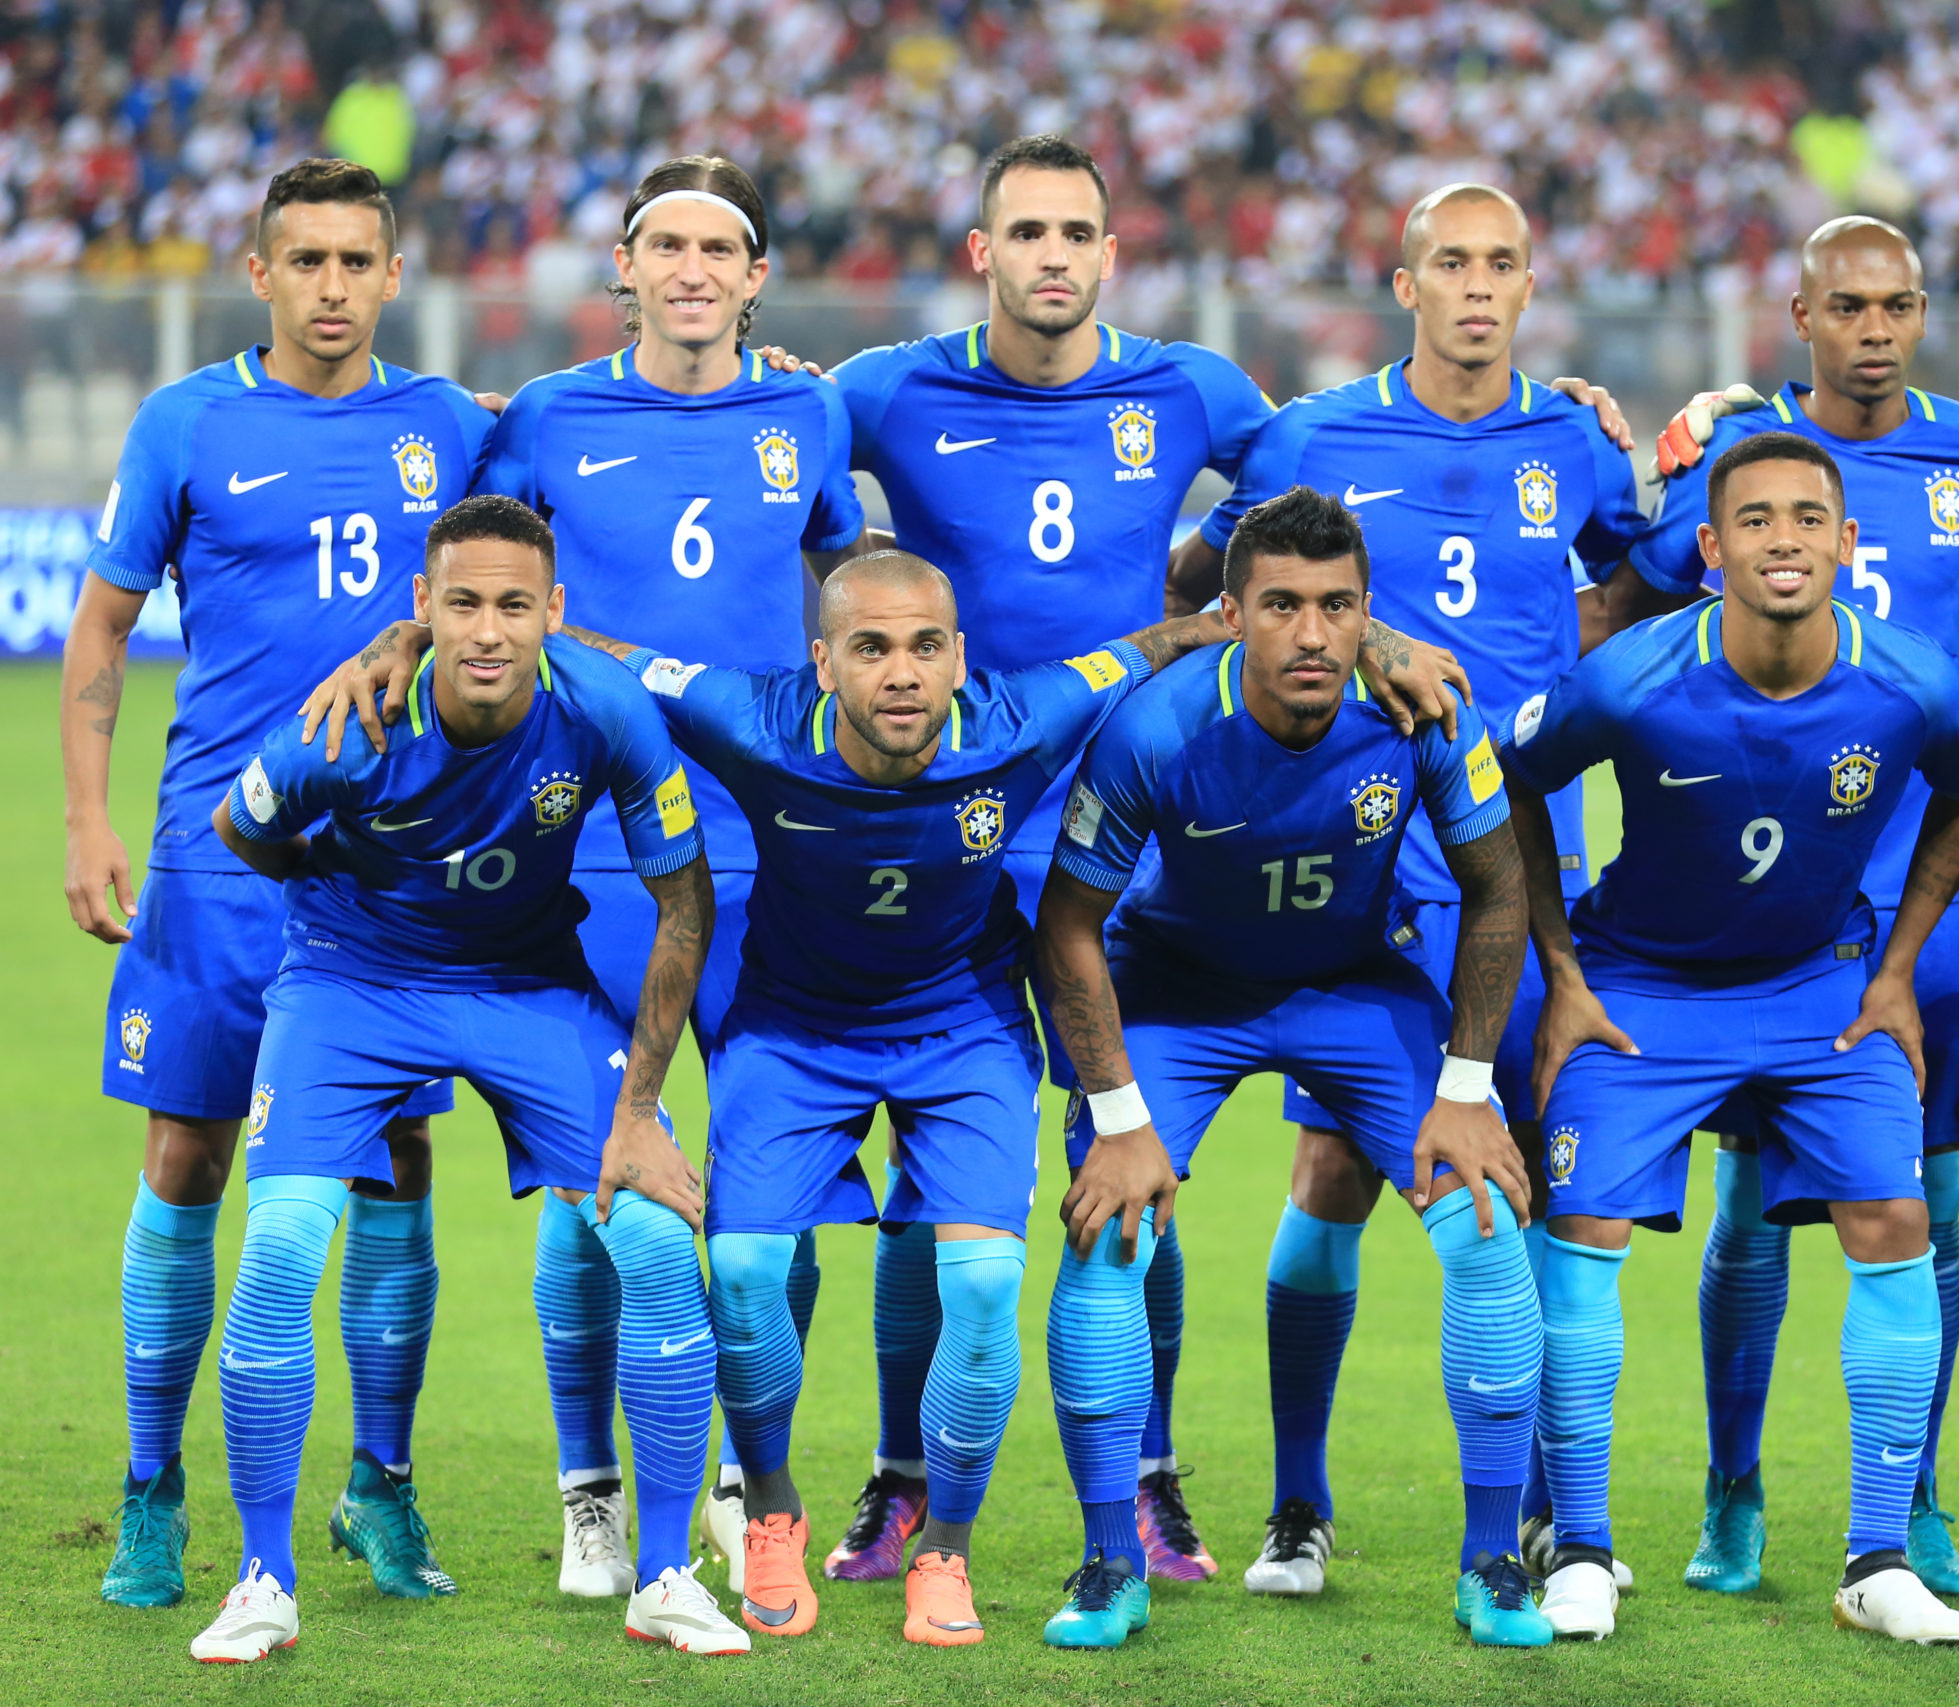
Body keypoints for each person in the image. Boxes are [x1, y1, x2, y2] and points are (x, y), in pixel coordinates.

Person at [303, 551, 1457, 1644]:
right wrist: (420, 635)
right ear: (822, 664)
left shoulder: (1027, 717)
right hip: (793, 1029)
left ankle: (943, 1550)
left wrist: (1376, 646)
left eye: (921, 648)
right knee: (746, 1274)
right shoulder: (749, 721)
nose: (898, 673)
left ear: (960, 658)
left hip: (964, 1029)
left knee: (988, 1278)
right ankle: (770, 1515)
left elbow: (1176, 639)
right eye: (866, 648)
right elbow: (594, 647)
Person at [785, 135, 1524, 1585]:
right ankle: (898, 1467)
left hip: (1135, 838)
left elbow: (1303, 519)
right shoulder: (880, 389)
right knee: (935, 1173)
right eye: (1026, 231)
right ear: (981, 250)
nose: (1053, 255)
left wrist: (1340, 630)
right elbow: (780, 491)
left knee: (1125, 1161)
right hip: (950, 823)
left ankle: (1149, 1473)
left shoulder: (1190, 387)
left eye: (1077, 231)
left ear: (1108, 255)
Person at [1164, 182, 1649, 1597]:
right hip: (1363, 865)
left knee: (1537, 1179)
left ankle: (1556, 1511)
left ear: (1529, 281)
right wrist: (1361, 630)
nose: (1479, 286)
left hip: (1517, 867)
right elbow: (1212, 584)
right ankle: (1299, 1503)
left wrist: (1566, 684)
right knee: (1333, 1171)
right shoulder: (1313, 434)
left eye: (1503, 263)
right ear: (1405, 280)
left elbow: (1648, 564)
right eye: (1453, 262)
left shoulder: (1573, 436)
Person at [188, 496, 746, 1663]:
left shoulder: (605, 713)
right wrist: (326, 881)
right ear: (420, 612)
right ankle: (261, 1580)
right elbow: (243, 827)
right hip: (349, 982)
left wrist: (638, 1113)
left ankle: (663, 1579)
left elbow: (683, 903)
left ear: (554, 611)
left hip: (526, 986)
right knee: (283, 1243)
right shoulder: (347, 726)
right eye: (461, 604)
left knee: (651, 1235)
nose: (487, 631)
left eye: (511, 605)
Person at [1503, 433, 1959, 1645]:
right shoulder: (1628, 678)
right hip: (1643, 991)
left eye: (1809, 518)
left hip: (1820, 987)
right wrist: (1562, 973)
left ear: (1846, 543)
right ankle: (1577, 1545)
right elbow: (1514, 780)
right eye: (1758, 520)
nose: (1786, 539)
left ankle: (1877, 1557)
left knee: (1897, 1222)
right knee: (1582, 1230)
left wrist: (1895, 970)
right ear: (1712, 549)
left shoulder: (1913, 679)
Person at [66, 158, 486, 1610]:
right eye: (303, 260)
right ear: (259, 273)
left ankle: (379, 1479)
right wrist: (84, 819)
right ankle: (148, 1490)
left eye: (355, 261)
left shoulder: (450, 424)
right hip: (212, 854)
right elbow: (105, 634)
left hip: (388, 864)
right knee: (186, 1154)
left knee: (394, 1162)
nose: (329, 287)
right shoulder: (187, 421)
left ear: (389, 272)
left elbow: (586, 434)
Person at [1032, 487, 1543, 1649]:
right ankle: (1110, 1561)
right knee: (1108, 1232)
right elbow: (1066, 925)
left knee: (1483, 1221)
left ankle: (1491, 1560)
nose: (1311, 636)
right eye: (1281, 607)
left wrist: (1465, 1093)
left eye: (1337, 608)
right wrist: (1115, 1113)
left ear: (1369, 614)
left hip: (1353, 989)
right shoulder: (1157, 730)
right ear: (1233, 614)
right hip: (1175, 993)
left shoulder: (1422, 715)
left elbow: (1497, 888)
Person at [1632, 216, 1959, 1597]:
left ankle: (1912, 1497)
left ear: (1922, 311)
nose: (1874, 327)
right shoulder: (1732, 447)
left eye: (1896, 305)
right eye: (1846, 304)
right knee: (1750, 1204)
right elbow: (1632, 588)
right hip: (1766, 883)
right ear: (1799, 311)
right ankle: (1731, 1492)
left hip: (1922, 887)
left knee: (1929, 1199)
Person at [473, 153, 866, 1597]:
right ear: (623, 268)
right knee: (595, 1175)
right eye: (665, 244)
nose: (693, 267)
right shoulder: (544, 419)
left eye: (722, 246)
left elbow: (840, 570)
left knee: (790, 1178)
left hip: (772, 848)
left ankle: (734, 1473)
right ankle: (590, 1490)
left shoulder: (809, 409)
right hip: (592, 848)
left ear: (758, 275)